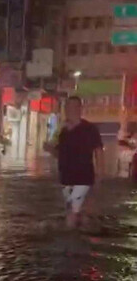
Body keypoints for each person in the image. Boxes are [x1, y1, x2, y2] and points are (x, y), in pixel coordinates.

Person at [56, 96, 104, 229]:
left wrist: (99, 175)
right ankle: (85, 230)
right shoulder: (63, 132)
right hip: (66, 178)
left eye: (73, 107)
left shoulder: (90, 129)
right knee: (75, 210)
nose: (69, 110)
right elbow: (59, 154)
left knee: (72, 211)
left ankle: (69, 241)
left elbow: (98, 151)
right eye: (67, 107)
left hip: (83, 177)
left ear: (79, 109)